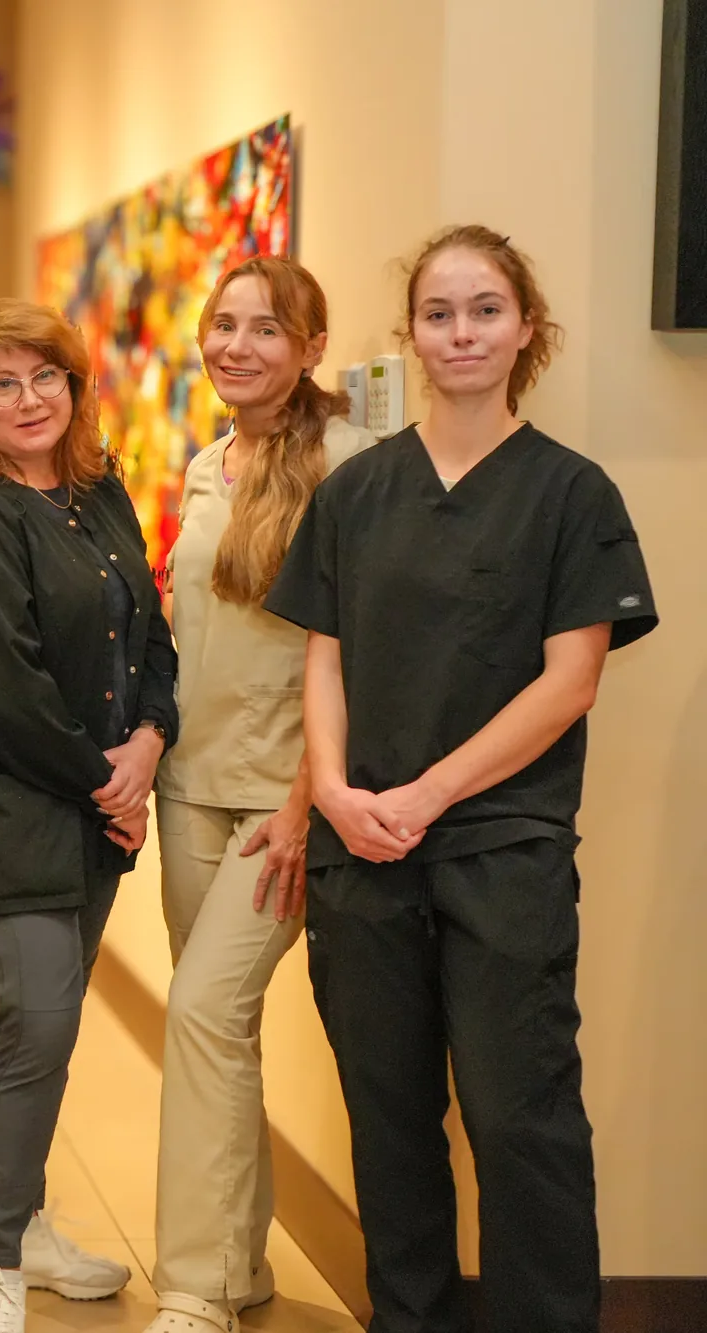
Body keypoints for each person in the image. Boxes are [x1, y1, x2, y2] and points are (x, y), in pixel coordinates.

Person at [265, 225, 656, 1333]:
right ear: (411, 337)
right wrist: (333, 793)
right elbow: (324, 656)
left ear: (524, 328)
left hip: (500, 853)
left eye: (484, 309)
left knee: (516, 1116)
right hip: (361, 854)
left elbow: (567, 681)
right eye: (437, 313)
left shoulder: (569, 495)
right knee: (385, 1119)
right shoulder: (355, 495)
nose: (460, 332)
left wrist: (423, 797)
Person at [0, 299, 179, 1333]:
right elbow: (2, 690)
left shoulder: (99, 491)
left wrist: (148, 742)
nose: (27, 400)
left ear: (74, 388)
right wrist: (105, 782)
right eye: (2, 384)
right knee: (37, 1018)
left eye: (44, 379)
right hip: (15, 807)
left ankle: (21, 1223)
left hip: (95, 800)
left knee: (48, 1029)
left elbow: (149, 636)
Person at [145, 257, 376, 1333]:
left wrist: (302, 803)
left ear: (309, 346)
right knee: (217, 1035)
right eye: (222, 325)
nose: (236, 346)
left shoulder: (348, 466)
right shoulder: (203, 464)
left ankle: (190, 1288)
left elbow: (355, 655)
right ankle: (236, 1271)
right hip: (189, 790)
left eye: (264, 330)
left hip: (283, 800)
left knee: (193, 1011)